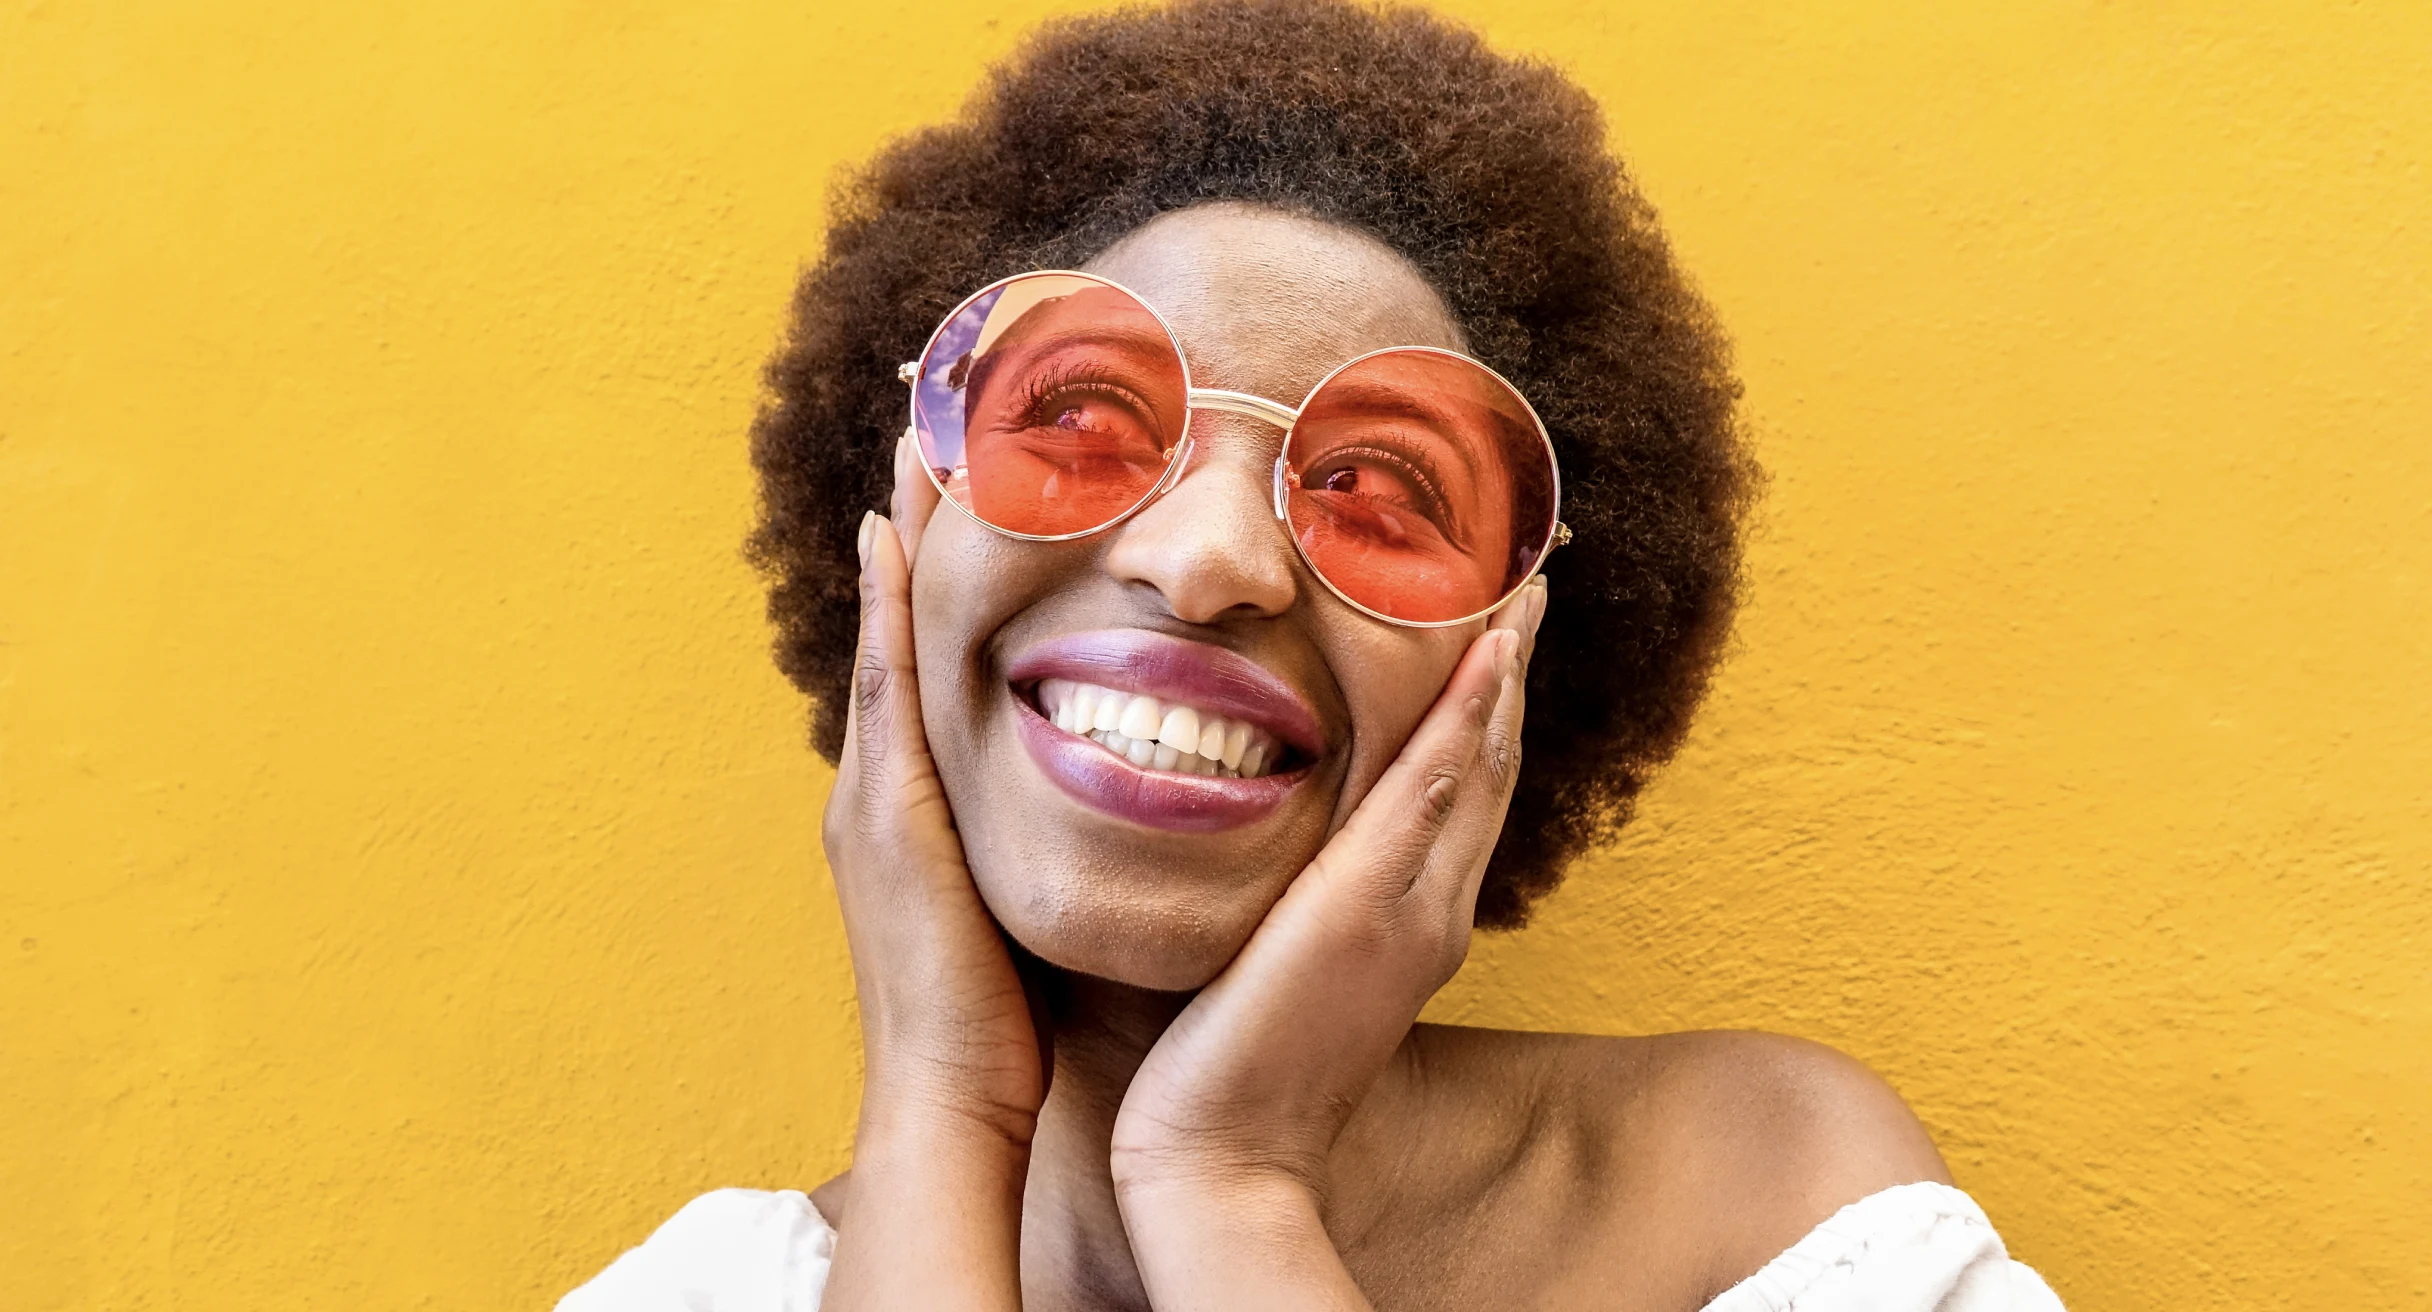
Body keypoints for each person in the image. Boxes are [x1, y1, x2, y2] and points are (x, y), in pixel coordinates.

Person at [561, 1, 2064, 1307]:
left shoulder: (1765, 1206)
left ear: (1517, 649)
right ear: (904, 528)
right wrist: (939, 1114)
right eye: (1079, 418)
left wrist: (1232, 1185)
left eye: (1380, 489)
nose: (1209, 560)